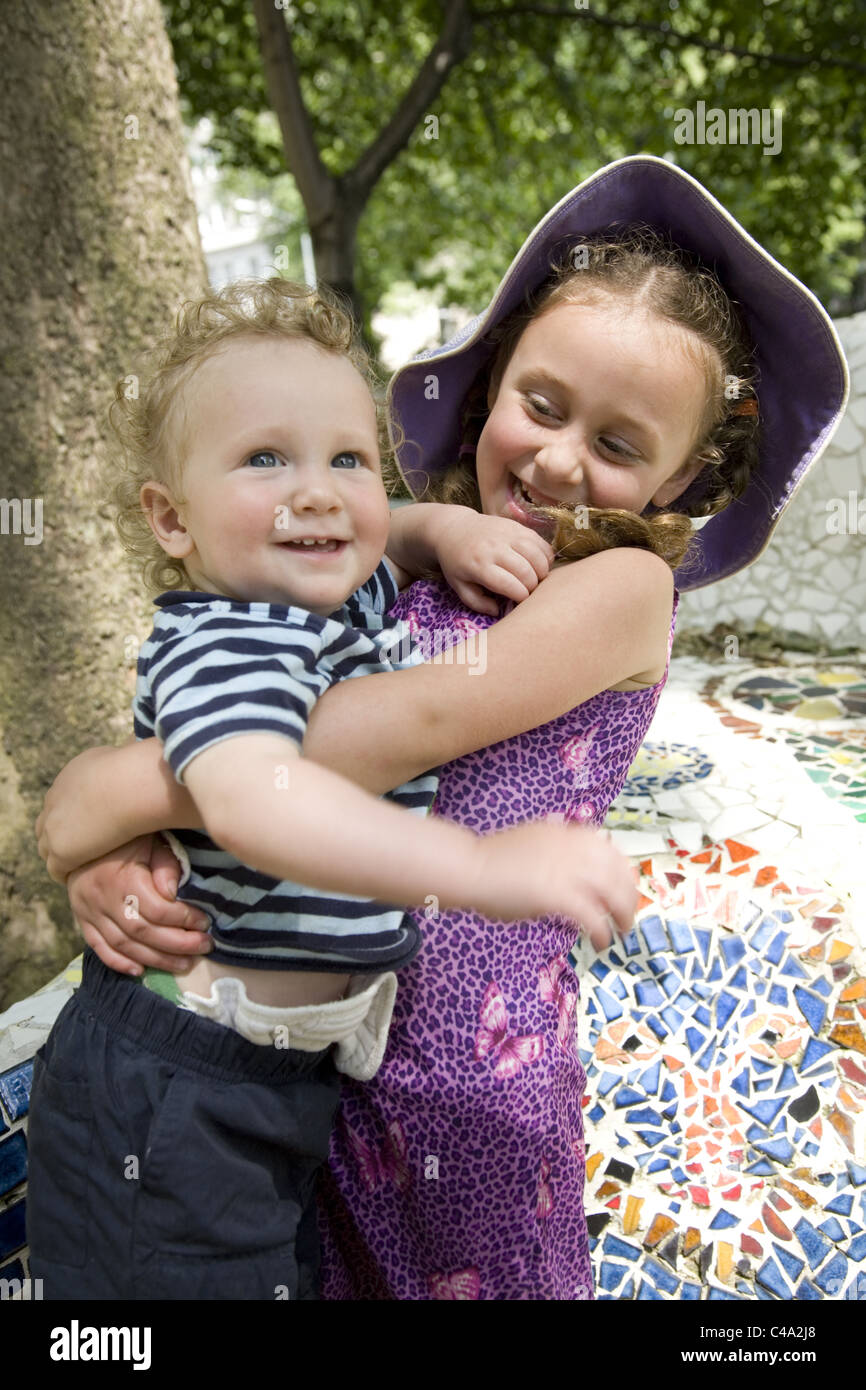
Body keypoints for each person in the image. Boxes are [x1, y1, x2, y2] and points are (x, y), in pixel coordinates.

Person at [35, 156, 848, 1299]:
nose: (561, 459)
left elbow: (413, 717)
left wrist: (126, 793)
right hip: (308, 1055)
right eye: (541, 405)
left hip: (466, 1070)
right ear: (490, 382)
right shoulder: (400, 548)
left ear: (679, 481)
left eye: (618, 447)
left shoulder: (618, 587)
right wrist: (120, 863)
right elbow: (243, 677)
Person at [25, 276, 637, 1302]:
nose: (315, 490)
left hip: (267, 1086)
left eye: (346, 456)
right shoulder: (230, 642)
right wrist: (475, 865)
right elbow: (255, 799)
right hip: (176, 1089)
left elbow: (365, 531)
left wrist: (430, 529)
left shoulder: (328, 602)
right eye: (264, 458)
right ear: (169, 519)